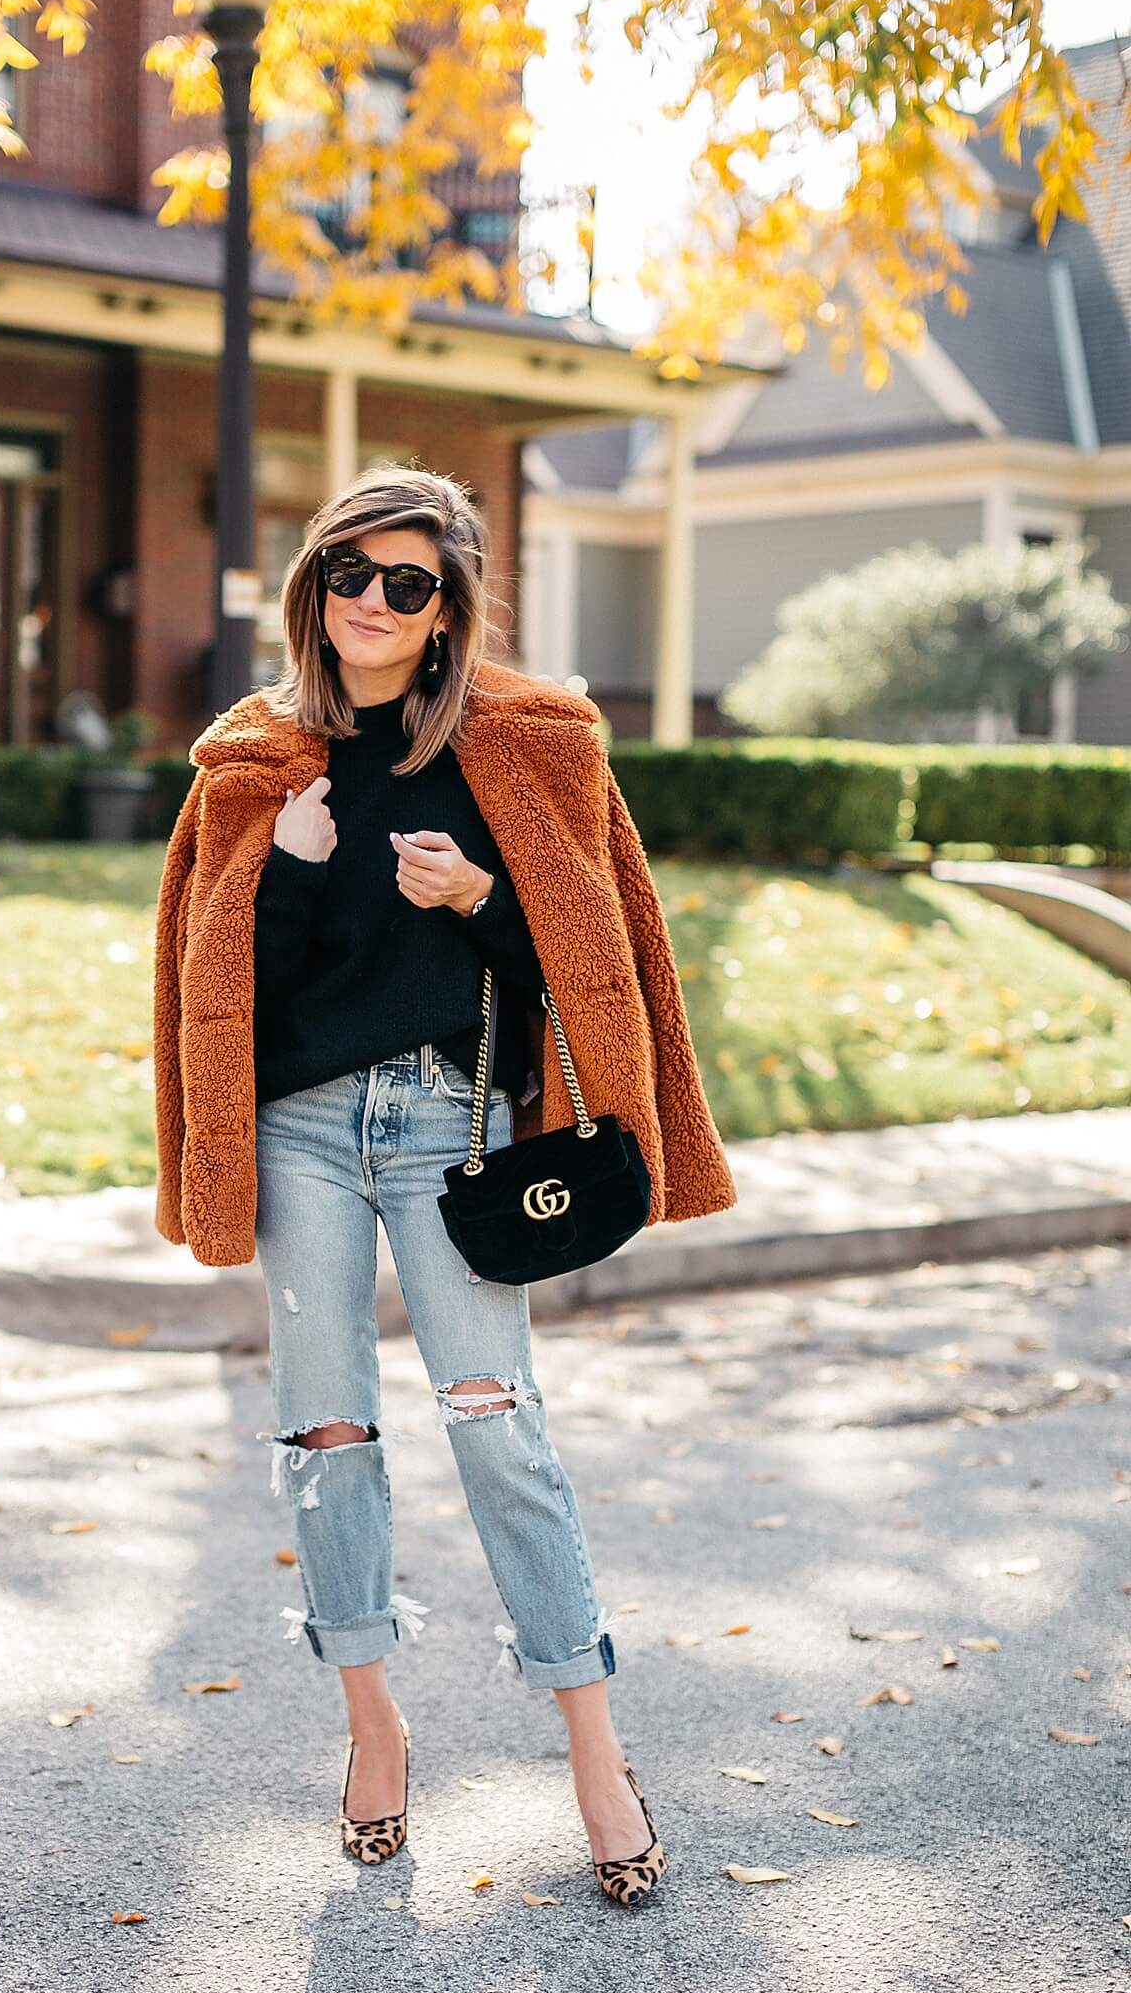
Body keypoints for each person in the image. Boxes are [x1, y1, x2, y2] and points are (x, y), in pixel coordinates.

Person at [152, 463, 736, 1906]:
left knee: (498, 1429)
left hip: (448, 1127)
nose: (371, 602)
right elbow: (209, 991)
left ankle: (595, 1755)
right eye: (349, 573)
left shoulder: (534, 749)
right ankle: (372, 1730)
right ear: (316, 589)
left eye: (406, 583)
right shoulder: (250, 759)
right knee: (326, 1437)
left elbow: (596, 981)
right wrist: (284, 876)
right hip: (299, 1135)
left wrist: (482, 903)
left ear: (449, 608)